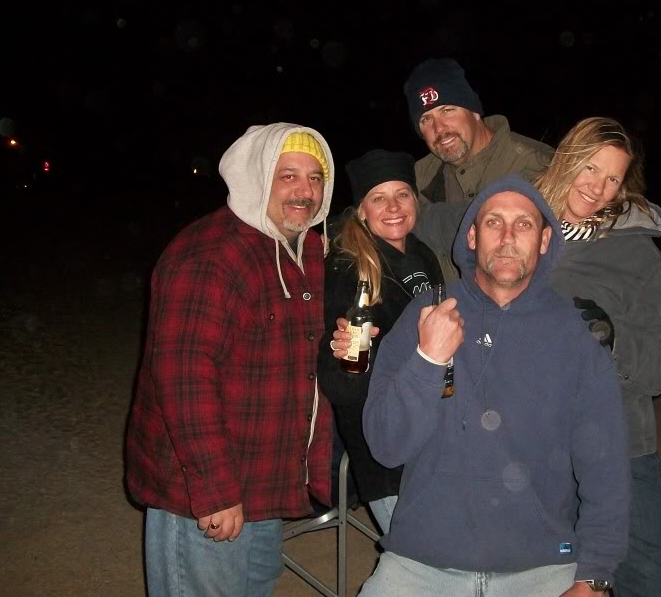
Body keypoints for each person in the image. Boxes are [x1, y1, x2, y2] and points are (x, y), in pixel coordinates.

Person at [415, 117, 661, 597]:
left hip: (619, 445)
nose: (597, 187)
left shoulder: (637, 256)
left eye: (613, 179)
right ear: (565, 158)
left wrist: (615, 340)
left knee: (638, 580)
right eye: (590, 167)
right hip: (529, 453)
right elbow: (421, 218)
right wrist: (368, 209)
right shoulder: (517, 224)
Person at [346, 175, 630, 596]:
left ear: (545, 240)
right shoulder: (426, 314)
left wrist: (594, 577)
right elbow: (386, 446)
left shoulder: (575, 336)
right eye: (494, 222)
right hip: (422, 562)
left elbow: (606, 469)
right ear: (473, 236)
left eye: (524, 224)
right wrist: (428, 359)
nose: (508, 237)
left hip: (542, 565)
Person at [125, 123, 336, 597]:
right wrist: (216, 490)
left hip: (263, 481)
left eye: (315, 177)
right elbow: (184, 379)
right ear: (257, 176)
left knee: (256, 585)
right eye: (288, 176)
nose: (305, 191)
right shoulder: (210, 255)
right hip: (202, 490)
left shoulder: (307, 250)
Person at [316, 149, 443, 535]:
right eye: (378, 198)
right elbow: (343, 385)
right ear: (361, 211)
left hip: (434, 434)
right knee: (424, 557)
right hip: (386, 447)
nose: (393, 207)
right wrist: (349, 356)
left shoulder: (423, 255)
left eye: (402, 194)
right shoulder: (349, 268)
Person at [403, 57, 554, 279]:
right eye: (426, 119)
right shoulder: (417, 177)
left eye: (447, 110)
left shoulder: (538, 165)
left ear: (474, 111)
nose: (439, 128)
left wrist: (427, 219)